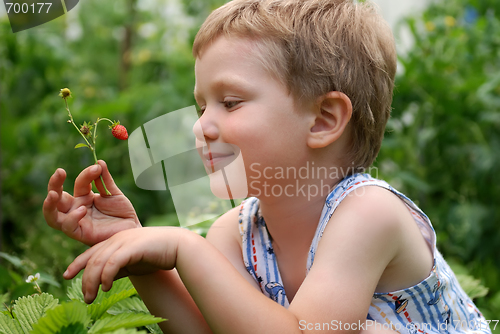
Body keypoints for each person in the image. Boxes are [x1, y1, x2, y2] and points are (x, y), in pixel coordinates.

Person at [43, 0, 491, 333]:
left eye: (230, 103)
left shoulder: (368, 215)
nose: (202, 127)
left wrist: (186, 248)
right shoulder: (236, 236)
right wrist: (140, 257)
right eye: (202, 107)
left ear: (323, 120)